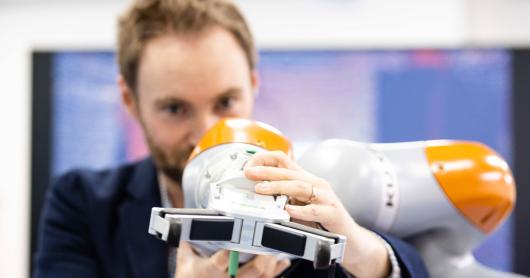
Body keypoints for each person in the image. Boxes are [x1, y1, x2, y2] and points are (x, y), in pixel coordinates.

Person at [34, 0, 428, 277]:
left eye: (226, 101)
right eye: (174, 108)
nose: (206, 132)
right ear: (130, 101)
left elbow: (415, 266)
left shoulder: (303, 202)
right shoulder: (83, 203)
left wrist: (362, 253)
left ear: (253, 86)